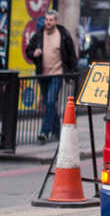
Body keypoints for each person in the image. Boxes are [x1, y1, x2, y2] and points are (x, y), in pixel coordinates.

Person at [26, 8, 77, 142]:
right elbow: (28, 50)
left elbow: (71, 56)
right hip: (43, 75)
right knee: (50, 104)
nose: (47, 22)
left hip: (57, 74)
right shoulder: (39, 35)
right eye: (46, 20)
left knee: (50, 101)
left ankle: (44, 131)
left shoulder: (63, 35)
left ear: (56, 21)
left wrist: (71, 75)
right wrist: (34, 53)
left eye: (50, 20)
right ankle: (57, 131)